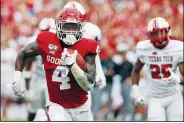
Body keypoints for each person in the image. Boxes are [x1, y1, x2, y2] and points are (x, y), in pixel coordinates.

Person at [12, 8, 100, 121]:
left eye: (74, 27)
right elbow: (23, 53)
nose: (70, 32)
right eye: (67, 27)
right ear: (58, 26)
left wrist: (73, 66)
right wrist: (17, 78)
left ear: (81, 28)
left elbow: (89, 85)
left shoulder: (88, 46)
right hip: (56, 105)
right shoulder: (47, 40)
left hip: (81, 106)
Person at [131, 17, 183, 121]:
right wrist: (135, 89)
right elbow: (136, 70)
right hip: (155, 98)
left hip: (174, 96)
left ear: (168, 31)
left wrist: (179, 80)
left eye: (161, 32)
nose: (159, 37)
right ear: (149, 35)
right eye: (155, 34)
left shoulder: (178, 48)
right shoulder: (144, 48)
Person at [24, 17, 55, 121]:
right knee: (34, 109)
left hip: (53, 80)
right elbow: (28, 65)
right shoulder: (34, 43)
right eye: (44, 31)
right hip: (38, 79)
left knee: (52, 111)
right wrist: (28, 88)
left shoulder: (60, 43)